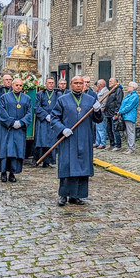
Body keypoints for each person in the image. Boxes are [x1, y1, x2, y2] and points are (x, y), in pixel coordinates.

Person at [51, 75, 103, 206]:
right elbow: (54, 118)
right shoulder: (63, 100)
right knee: (67, 166)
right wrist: (62, 129)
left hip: (85, 139)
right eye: (76, 83)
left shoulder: (90, 100)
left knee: (82, 167)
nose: (79, 85)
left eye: (81, 83)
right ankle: (63, 195)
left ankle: (77, 195)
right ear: (71, 84)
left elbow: (98, 119)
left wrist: (98, 111)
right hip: (69, 139)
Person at [0, 77, 32, 183]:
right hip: (7, 129)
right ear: (12, 85)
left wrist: (21, 123)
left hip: (19, 130)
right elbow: (2, 111)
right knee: (6, 150)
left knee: (17, 151)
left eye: (20, 85)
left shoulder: (27, 98)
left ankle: (12, 173)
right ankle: (3, 172)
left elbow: (29, 113)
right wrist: (11, 122)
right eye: (16, 85)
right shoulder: (5, 97)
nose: (18, 87)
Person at [34, 77, 60, 166]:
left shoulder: (57, 94)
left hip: (53, 120)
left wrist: (53, 116)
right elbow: (37, 107)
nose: (51, 84)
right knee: (42, 140)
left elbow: (59, 107)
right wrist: (45, 115)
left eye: (52, 83)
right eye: (49, 82)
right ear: (46, 84)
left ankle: (48, 161)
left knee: (51, 140)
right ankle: (39, 159)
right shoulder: (40, 94)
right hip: (43, 120)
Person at [119, 82, 139, 153]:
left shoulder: (134, 96)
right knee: (127, 132)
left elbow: (129, 106)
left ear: (133, 88)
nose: (128, 87)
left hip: (130, 116)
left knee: (130, 132)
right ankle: (129, 147)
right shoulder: (129, 95)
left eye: (129, 86)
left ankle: (131, 148)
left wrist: (121, 111)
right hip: (126, 115)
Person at [94, 79, 108, 149]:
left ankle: (102, 143)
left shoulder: (106, 92)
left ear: (101, 85)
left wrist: (100, 111)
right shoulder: (98, 91)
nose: (97, 86)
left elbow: (104, 103)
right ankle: (97, 142)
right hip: (97, 112)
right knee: (97, 128)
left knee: (101, 128)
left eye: (98, 84)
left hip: (101, 112)